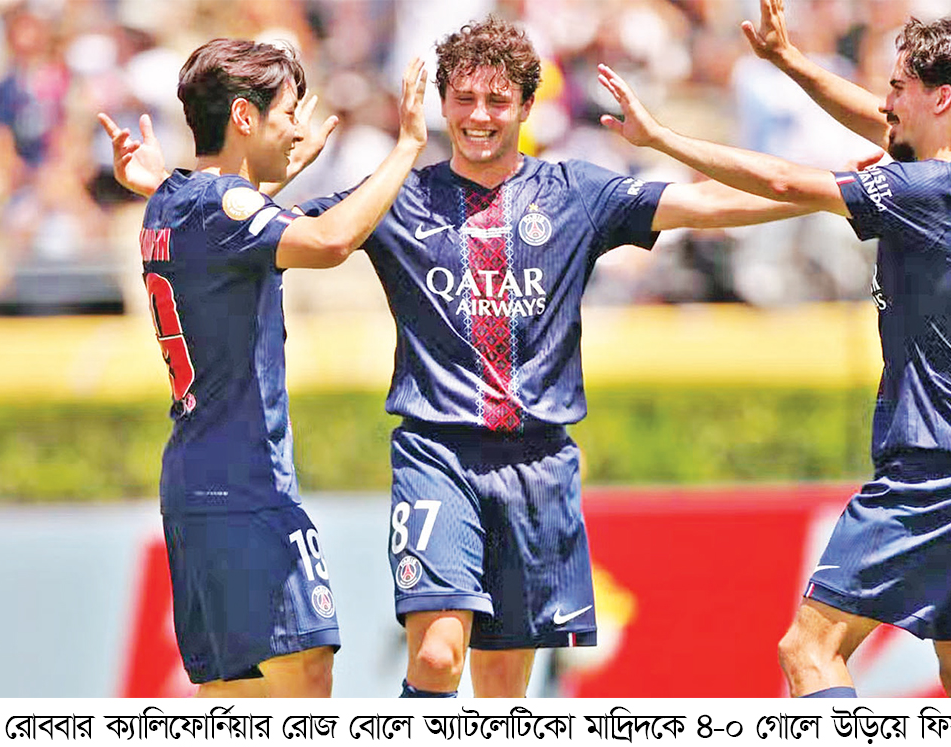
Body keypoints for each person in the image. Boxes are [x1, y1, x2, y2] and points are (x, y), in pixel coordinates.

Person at [109, 16, 820, 698]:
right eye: (464, 98)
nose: (479, 115)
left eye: (497, 100)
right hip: (436, 454)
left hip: (538, 463)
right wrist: (182, 189)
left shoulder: (576, 193)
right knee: (437, 654)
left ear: (526, 107)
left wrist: (828, 191)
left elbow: (705, 203)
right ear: (442, 102)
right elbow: (268, 232)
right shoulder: (395, 196)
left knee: (502, 689)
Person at [598, 0, 951, 698]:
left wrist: (663, 138)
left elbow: (781, 182)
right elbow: (883, 125)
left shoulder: (923, 190)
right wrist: (790, 60)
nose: (886, 102)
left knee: (809, 651)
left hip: (933, 464)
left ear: (942, 98)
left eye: (898, 87)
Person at [100, 38, 428, 697]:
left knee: (237, 693)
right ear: (244, 118)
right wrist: (408, 146)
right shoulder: (221, 206)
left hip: (196, 479)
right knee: (305, 672)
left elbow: (228, 222)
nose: (298, 130)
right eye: (286, 114)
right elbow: (331, 239)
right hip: (245, 483)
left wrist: (276, 174)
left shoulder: (169, 201)